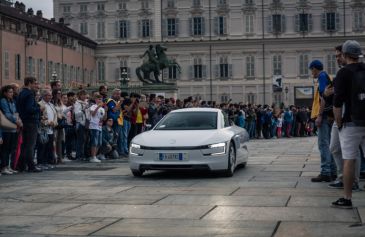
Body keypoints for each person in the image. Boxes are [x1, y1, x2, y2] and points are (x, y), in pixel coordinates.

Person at [332, 40, 365, 209]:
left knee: (349, 160)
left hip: (351, 122)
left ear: (345, 55)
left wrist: (339, 123)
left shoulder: (343, 73)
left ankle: (347, 198)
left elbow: (337, 103)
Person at [328, 45, 360, 191]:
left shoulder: (346, 72)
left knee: (352, 152)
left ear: (345, 55)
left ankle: (352, 182)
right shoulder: (342, 72)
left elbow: (338, 99)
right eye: (335, 56)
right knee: (335, 147)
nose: (337, 58)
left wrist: (339, 121)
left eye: (338, 55)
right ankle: (345, 178)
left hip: (347, 116)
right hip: (343, 117)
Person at [309, 60, 336, 182]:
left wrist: (319, 115)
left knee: (323, 144)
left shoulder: (322, 77)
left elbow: (323, 98)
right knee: (329, 144)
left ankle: (326, 172)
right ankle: (333, 171)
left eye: (311, 70)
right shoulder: (327, 76)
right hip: (329, 115)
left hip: (324, 116)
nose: (311, 73)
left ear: (315, 69)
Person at [17, 77, 42, 172]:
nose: (36, 85)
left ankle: (22, 166)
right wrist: (39, 108)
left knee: (25, 145)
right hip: (31, 122)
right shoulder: (30, 93)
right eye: (35, 83)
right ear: (29, 83)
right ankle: (31, 166)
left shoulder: (21, 93)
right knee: (30, 145)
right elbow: (30, 109)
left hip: (23, 121)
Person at [0, 85, 22, 175]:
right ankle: (4, 167)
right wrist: (17, 121)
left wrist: (19, 120)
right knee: (5, 149)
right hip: (6, 128)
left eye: (12, 92)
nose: (11, 94)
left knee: (11, 148)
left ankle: (8, 166)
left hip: (13, 127)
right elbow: (7, 114)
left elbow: (16, 112)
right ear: (4, 93)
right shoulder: (3, 101)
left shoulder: (12, 101)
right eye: (9, 92)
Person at [38, 89, 57, 169]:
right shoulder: (40, 104)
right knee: (42, 147)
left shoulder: (51, 105)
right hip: (43, 129)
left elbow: (55, 115)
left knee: (49, 147)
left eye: (50, 95)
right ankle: (40, 163)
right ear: (44, 96)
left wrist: (54, 123)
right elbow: (40, 117)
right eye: (49, 95)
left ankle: (47, 162)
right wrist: (48, 122)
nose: (50, 97)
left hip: (51, 129)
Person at [88, 94, 106, 163]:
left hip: (99, 127)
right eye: (98, 99)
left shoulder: (102, 109)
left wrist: (106, 111)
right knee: (94, 142)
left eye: (101, 99)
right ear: (95, 100)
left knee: (99, 143)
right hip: (93, 126)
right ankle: (93, 156)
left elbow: (104, 118)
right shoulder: (93, 106)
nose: (100, 100)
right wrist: (98, 107)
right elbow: (93, 114)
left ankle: (95, 155)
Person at [74, 90, 88, 160]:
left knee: (85, 140)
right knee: (80, 140)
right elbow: (76, 115)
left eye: (85, 94)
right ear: (79, 96)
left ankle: (83, 154)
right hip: (80, 123)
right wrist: (83, 110)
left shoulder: (86, 103)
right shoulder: (77, 103)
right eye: (82, 95)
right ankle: (78, 155)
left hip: (86, 124)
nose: (84, 96)